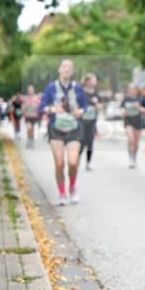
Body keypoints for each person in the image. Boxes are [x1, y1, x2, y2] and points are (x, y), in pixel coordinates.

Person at [38, 59, 88, 205]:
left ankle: (72, 188)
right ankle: (61, 193)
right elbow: (42, 107)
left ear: (72, 71)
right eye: (64, 67)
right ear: (59, 69)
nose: (66, 69)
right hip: (56, 128)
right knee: (59, 163)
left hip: (73, 128)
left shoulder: (77, 87)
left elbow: (85, 105)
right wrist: (52, 109)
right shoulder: (51, 87)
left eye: (69, 67)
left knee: (72, 162)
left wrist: (81, 111)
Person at [121, 83, 145, 168]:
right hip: (129, 121)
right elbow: (122, 109)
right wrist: (123, 112)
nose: (132, 90)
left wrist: (139, 107)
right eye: (130, 89)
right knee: (131, 139)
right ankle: (131, 159)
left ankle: (134, 157)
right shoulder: (126, 99)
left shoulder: (140, 99)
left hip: (138, 122)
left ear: (136, 90)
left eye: (133, 89)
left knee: (136, 142)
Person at [80, 74, 102, 171]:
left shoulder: (96, 94)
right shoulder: (80, 92)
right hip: (81, 121)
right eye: (93, 80)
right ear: (87, 81)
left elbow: (100, 107)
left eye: (95, 80)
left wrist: (96, 103)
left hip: (92, 121)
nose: (95, 82)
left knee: (90, 143)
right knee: (81, 142)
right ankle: (76, 161)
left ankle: (88, 164)